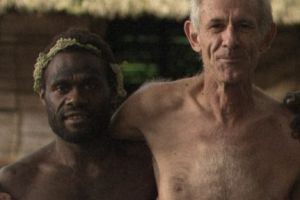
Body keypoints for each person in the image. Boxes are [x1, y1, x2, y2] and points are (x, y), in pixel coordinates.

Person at [111, 0, 300, 199]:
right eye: (216, 26)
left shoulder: (289, 133)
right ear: (194, 37)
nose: (230, 40)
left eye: (244, 26)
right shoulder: (151, 110)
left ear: (266, 37)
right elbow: (86, 153)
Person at [0, 29, 156, 200]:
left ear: (113, 93)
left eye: (89, 85)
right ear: (43, 97)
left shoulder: (150, 170)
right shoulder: (15, 183)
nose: (75, 99)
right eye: (61, 88)